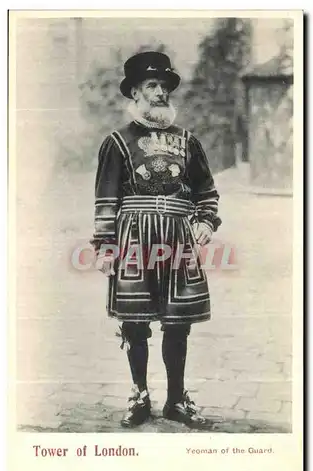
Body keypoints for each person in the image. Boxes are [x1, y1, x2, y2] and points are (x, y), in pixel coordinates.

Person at [90, 51, 222, 429]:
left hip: (178, 238)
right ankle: (140, 395)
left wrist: (206, 222)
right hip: (134, 237)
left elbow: (206, 191)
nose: (161, 93)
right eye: (152, 86)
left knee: (178, 322)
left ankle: (176, 400)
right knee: (134, 322)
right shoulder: (116, 142)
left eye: (165, 86)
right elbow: (106, 199)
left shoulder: (187, 141)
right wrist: (105, 246)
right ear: (134, 92)